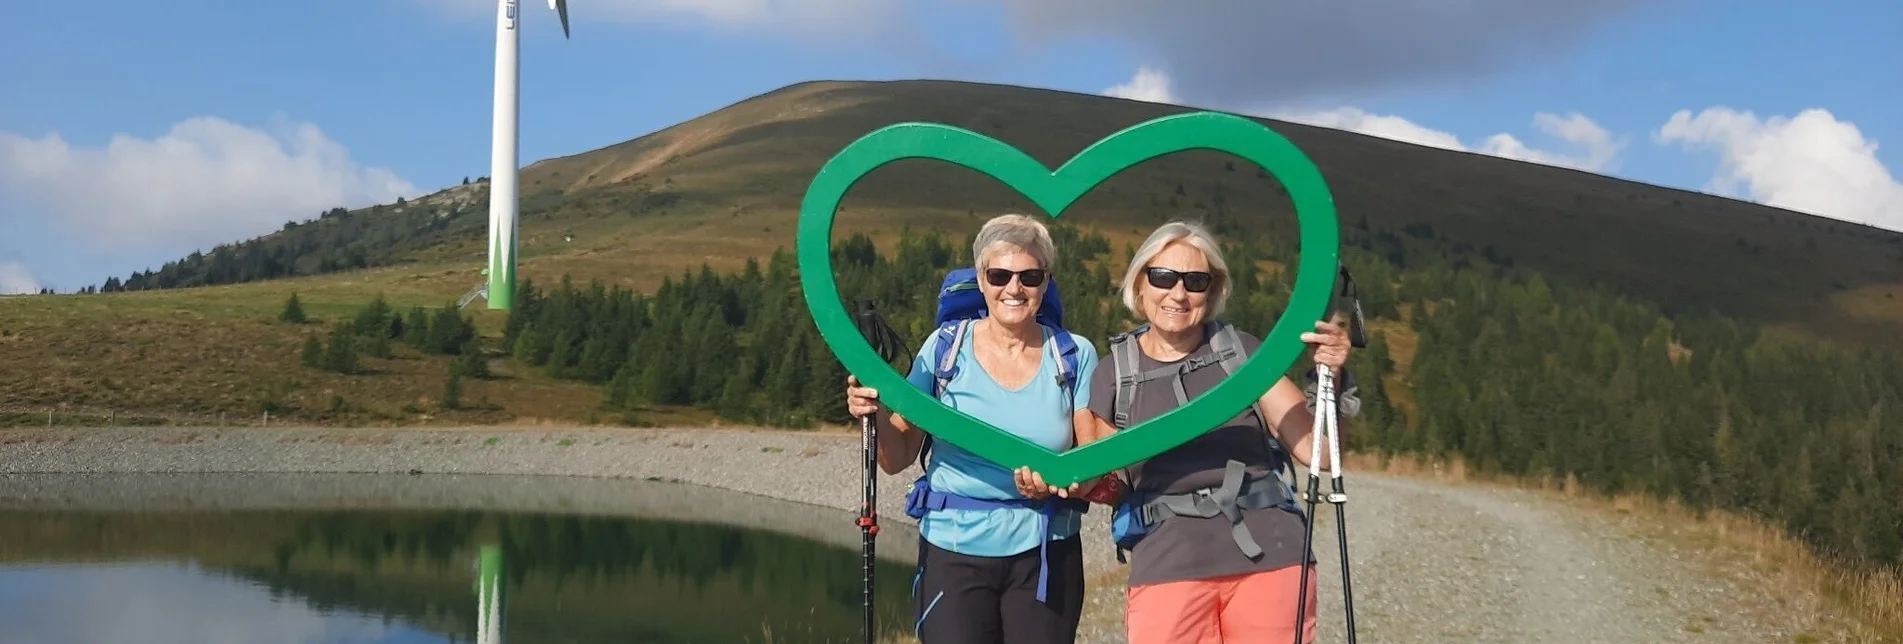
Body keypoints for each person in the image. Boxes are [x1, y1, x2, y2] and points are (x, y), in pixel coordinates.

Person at [1076, 220, 1355, 644]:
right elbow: (1094, 475)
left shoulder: (1242, 352)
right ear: (1140, 283)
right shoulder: (1113, 372)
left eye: (1196, 281)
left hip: (1271, 558)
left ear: (1213, 290)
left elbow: (1322, 452)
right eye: (1163, 277)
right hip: (1167, 564)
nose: (1178, 293)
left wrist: (1333, 377)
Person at [843, 213, 1101, 644]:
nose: (1014, 288)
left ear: (1046, 281)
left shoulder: (1073, 355)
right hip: (953, 552)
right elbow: (896, 457)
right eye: (999, 274)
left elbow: (1092, 464)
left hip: (1046, 552)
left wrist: (1056, 482)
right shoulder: (944, 349)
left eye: (1030, 276)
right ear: (981, 279)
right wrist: (873, 414)